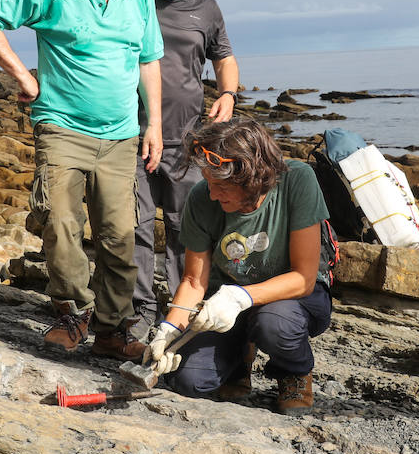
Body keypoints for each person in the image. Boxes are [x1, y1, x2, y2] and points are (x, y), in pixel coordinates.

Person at [0, 0, 163, 360]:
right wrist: (22, 75)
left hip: (121, 135)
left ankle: (113, 331)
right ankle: (74, 312)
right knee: (59, 223)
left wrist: (152, 122)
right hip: (61, 128)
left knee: (120, 236)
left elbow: (148, 58)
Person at [142, 119, 334, 414]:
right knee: (187, 381)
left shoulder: (298, 180)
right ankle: (238, 358)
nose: (212, 194)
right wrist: (168, 331)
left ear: (253, 178)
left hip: (292, 300)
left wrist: (239, 297)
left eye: (221, 186)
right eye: (208, 181)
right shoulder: (202, 198)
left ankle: (293, 372)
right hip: (224, 302)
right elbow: (194, 282)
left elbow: (304, 278)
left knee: (275, 322)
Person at [131, 0, 239, 340]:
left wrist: (227, 95)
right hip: (130, 133)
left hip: (187, 141)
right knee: (135, 227)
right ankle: (139, 315)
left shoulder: (206, 7)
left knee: (185, 227)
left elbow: (224, 56)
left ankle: (181, 310)